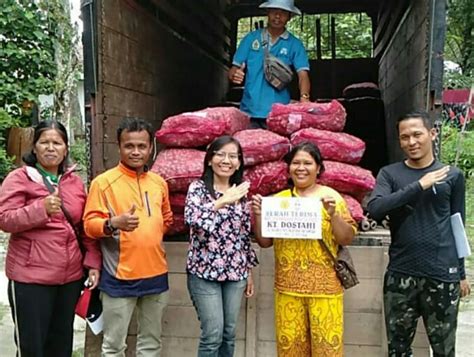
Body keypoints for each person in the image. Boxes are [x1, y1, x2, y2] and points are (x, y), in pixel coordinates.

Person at [367, 110, 471, 357]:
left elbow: (458, 223)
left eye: (417, 135)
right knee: (398, 349)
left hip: (442, 275)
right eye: (404, 137)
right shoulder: (390, 174)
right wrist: (419, 185)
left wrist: (461, 272)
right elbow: (376, 208)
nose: (411, 142)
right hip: (401, 274)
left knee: (444, 350)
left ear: (432, 134)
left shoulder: (452, 175)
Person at [0, 120, 101, 357]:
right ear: (34, 147)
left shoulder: (74, 182)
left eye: (57, 142)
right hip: (31, 278)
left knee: (61, 344)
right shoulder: (20, 178)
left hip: (69, 278)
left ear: (66, 148)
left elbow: (84, 226)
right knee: (32, 347)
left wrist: (93, 262)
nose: (50, 148)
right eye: (44, 142)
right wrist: (41, 209)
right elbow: (4, 219)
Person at [252, 141, 357, 356]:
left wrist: (333, 214)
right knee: (291, 349)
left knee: (327, 349)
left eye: (307, 163)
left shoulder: (331, 198)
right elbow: (265, 242)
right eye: (295, 163)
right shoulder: (278, 201)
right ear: (288, 168)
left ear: (318, 168)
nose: (301, 168)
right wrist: (260, 215)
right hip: (288, 289)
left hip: (325, 289)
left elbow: (346, 238)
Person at [83, 117, 173, 356]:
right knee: (113, 346)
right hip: (119, 277)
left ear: (151, 147)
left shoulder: (159, 183)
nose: (135, 152)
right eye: (129, 146)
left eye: (141, 146)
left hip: (156, 274)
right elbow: (89, 225)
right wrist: (113, 224)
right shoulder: (103, 183)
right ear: (119, 147)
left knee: (151, 344)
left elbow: (167, 219)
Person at [185, 135, 259, 356]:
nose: (227, 160)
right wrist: (222, 201)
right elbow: (193, 219)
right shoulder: (197, 189)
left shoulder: (241, 193)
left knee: (228, 333)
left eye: (233, 156)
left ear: (239, 162)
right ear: (210, 160)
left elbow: (243, 234)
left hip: (235, 274)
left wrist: (248, 271)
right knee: (212, 335)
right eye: (221, 154)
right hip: (203, 272)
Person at [228, 0, 311, 128]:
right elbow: (233, 70)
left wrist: (304, 98)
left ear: (289, 17)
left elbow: (303, 75)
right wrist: (235, 75)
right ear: (267, 12)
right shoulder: (250, 39)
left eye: (283, 13)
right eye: (274, 11)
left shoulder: (295, 44)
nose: (278, 16)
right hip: (249, 111)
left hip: (279, 113)